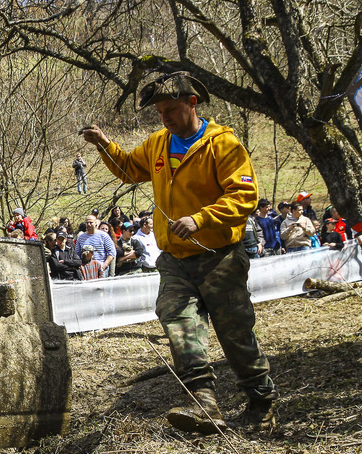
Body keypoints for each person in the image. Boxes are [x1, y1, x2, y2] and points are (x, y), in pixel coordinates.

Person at [80, 71, 277, 433]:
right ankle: (204, 403)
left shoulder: (224, 144)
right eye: (160, 112)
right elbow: (129, 170)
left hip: (220, 257)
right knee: (179, 322)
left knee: (234, 332)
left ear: (192, 103)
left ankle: (261, 403)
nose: (165, 118)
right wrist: (104, 144)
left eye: (170, 110)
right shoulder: (158, 143)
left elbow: (245, 196)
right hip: (175, 261)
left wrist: (200, 219)